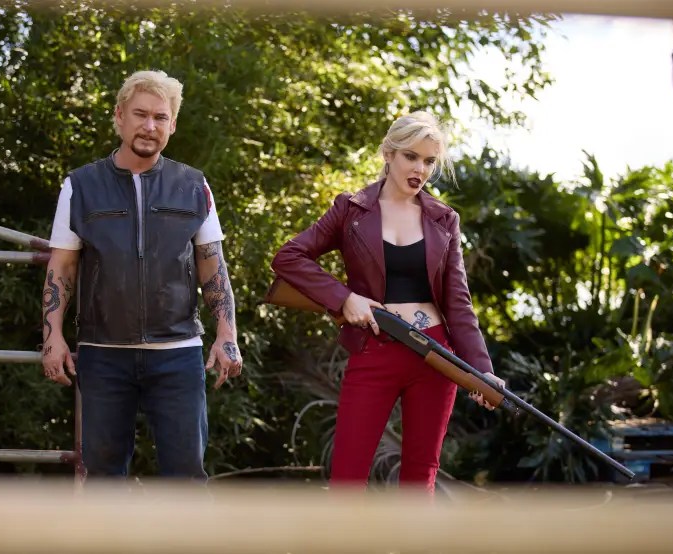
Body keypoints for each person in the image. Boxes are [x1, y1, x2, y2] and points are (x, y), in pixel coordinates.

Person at [270, 111, 504, 495]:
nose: (420, 169)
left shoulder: (444, 219)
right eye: (411, 156)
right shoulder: (351, 209)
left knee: (419, 479)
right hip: (375, 348)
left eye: (429, 161)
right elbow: (288, 257)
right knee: (347, 478)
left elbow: (458, 302)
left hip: (435, 355)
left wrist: (481, 370)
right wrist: (344, 298)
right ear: (388, 154)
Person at [40, 70, 242, 480]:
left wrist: (227, 334)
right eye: (140, 114)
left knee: (186, 475)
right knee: (103, 476)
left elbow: (212, 264)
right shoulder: (81, 185)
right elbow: (61, 267)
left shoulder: (194, 185)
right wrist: (52, 337)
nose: (150, 126)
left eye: (160, 117)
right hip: (103, 353)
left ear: (173, 124)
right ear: (119, 116)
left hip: (178, 353)